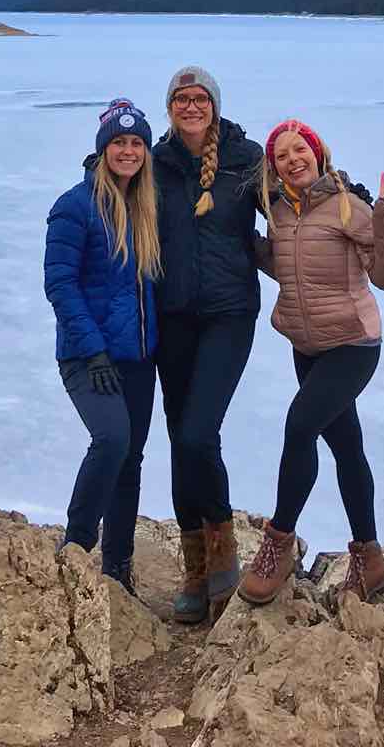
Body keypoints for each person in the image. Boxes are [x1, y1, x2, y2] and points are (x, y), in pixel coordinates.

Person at [238, 118, 384, 607]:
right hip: (306, 347)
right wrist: (245, 245)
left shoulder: (349, 207)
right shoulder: (280, 213)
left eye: (300, 149)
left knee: (299, 427)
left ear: (318, 153)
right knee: (348, 448)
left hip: (353, 345)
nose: (293, 159)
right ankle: (370, 560)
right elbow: (289, 267)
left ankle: (278, 544)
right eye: (282, 155)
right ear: (275, 168)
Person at [152, 66, 264, 623]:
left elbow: (295, 194)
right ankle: (196, 569)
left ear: (214, 106)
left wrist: (350, 200)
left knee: (199, 432)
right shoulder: (156, 163)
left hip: (228, 314)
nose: (191, 106)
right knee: (180, 440)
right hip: (172, 317)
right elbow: (113, 189)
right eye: (181, 98)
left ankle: (222, 550)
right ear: (170, 106)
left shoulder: (246, 159)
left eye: (200, 99)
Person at [42, 98, 161, 592]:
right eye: (120, 143)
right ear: (103, 148)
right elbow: (60, 285)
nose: (128, 151)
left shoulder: (145, 206)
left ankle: (118, 566)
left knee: (130, 456)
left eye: (137, 143)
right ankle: (74, 546)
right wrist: (92, 350)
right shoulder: (76, 206)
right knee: (111, 440)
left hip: (138, 357)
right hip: (87, 356)